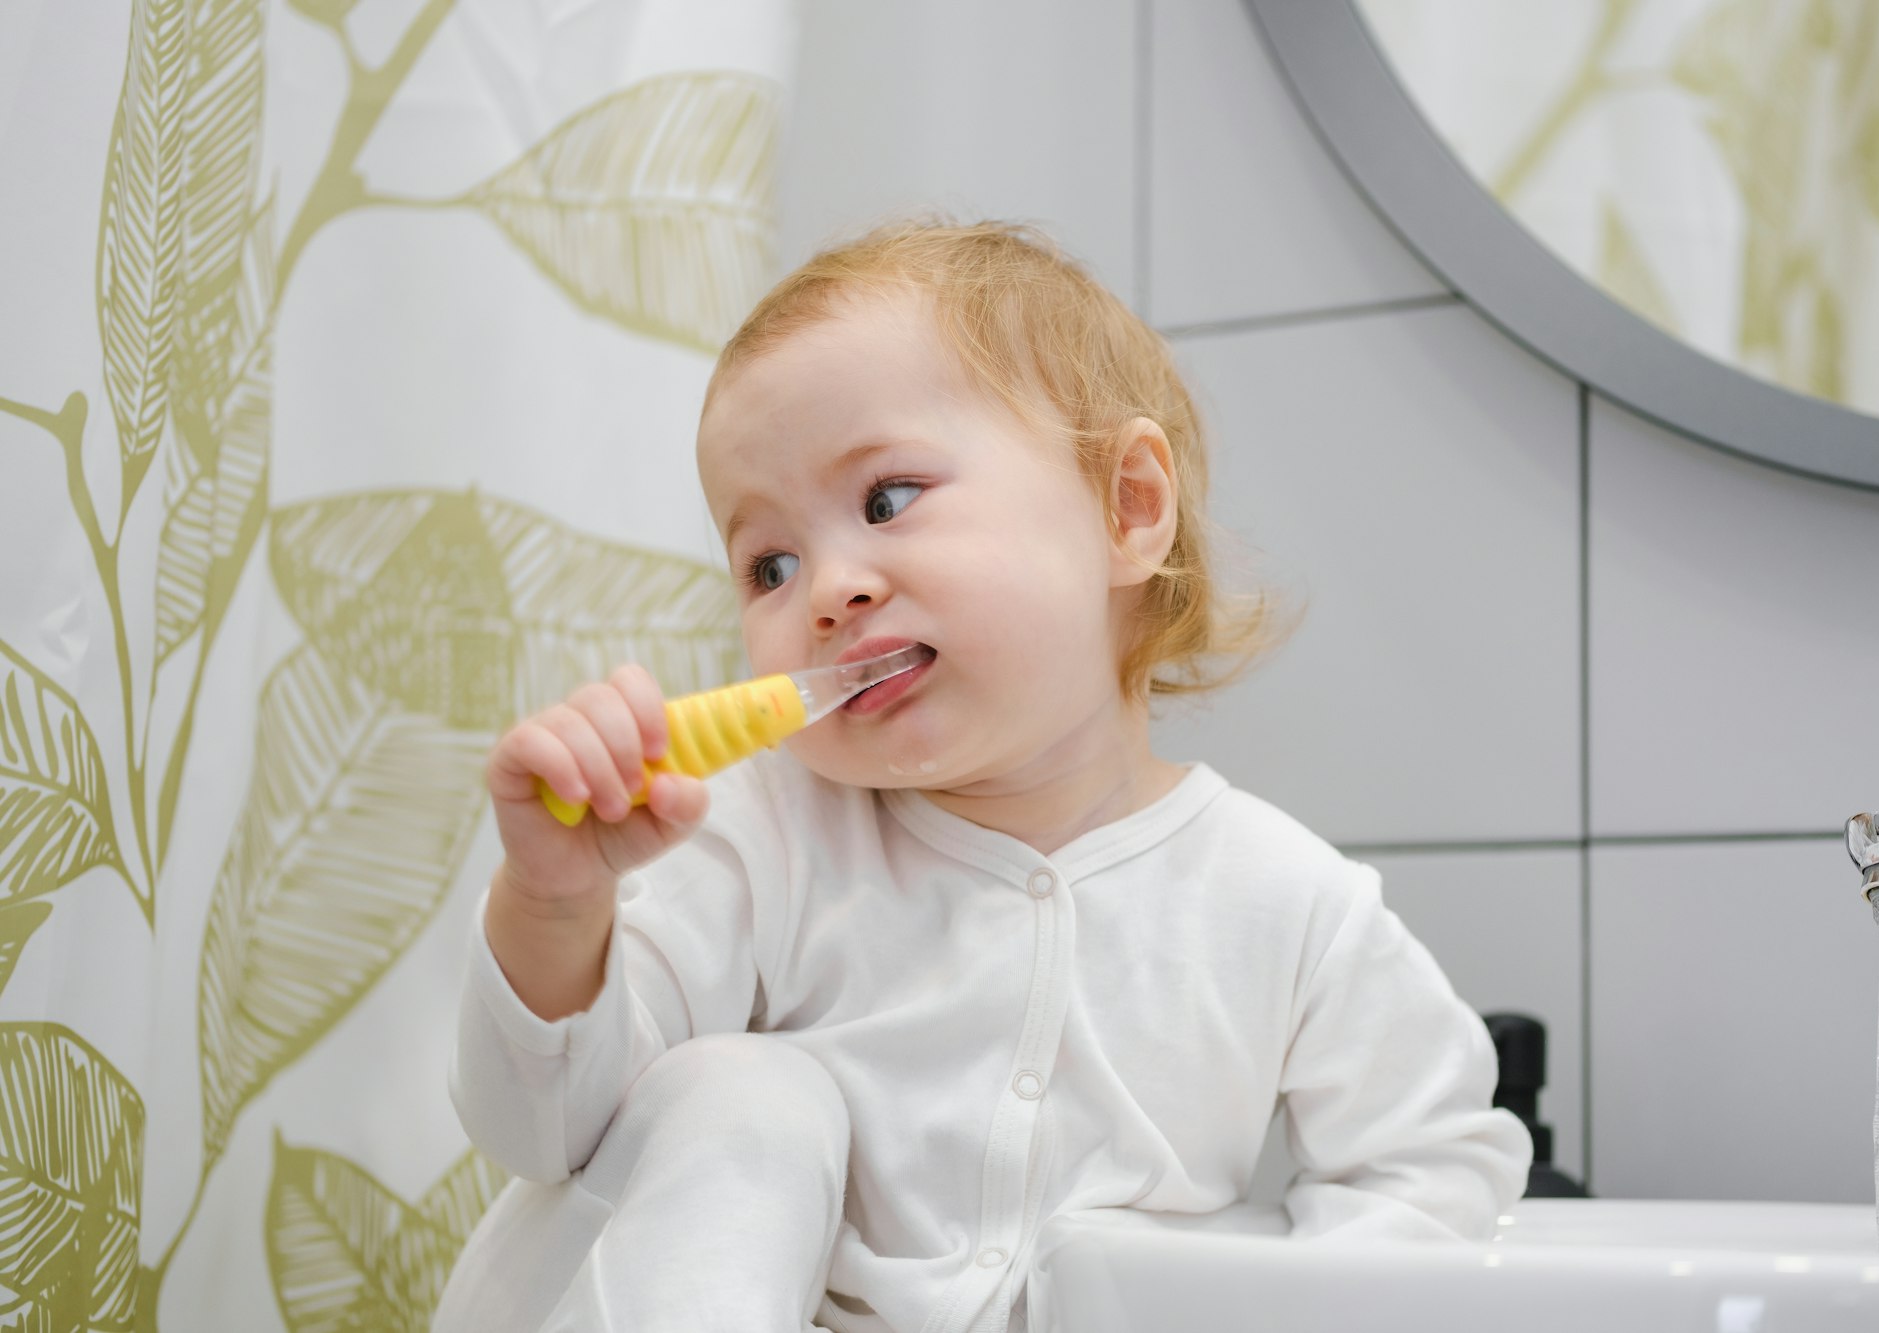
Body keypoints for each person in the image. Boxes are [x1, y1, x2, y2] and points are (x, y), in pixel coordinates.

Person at [435, 219, 1530, 1333]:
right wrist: (557, 904)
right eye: (768, 564)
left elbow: (1430, 1164)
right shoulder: (762, 837)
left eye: (886, 499)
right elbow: (542, 1136)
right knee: (745, 1092)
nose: (827, 589)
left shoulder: (1283, 905)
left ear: (1126, 509)